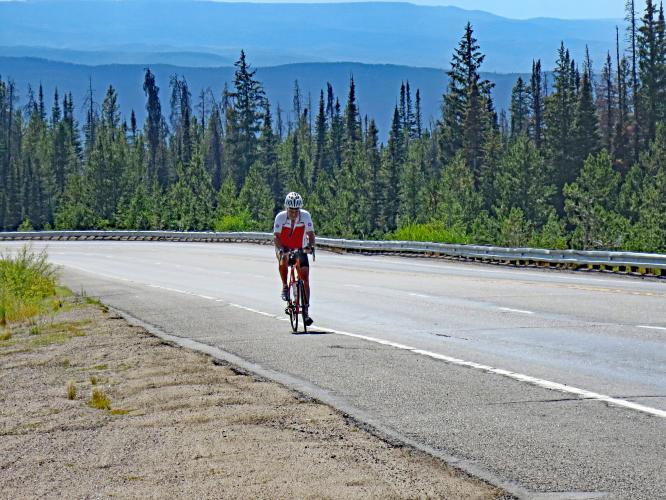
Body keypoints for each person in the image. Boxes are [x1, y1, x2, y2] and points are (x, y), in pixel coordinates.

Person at [273, 192, 315, 326]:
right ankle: (285, 286)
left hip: (300, 247)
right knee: (284, 259)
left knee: (305, 277)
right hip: (284, 247)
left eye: (296, 210)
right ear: (287, 208)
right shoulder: (280, 217)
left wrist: (310, 246)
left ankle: (306, 311)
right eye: (291, 210)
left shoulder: (305, 216)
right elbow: (276, 237)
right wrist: (281, 249)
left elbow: (311, 234)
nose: (294, 213)